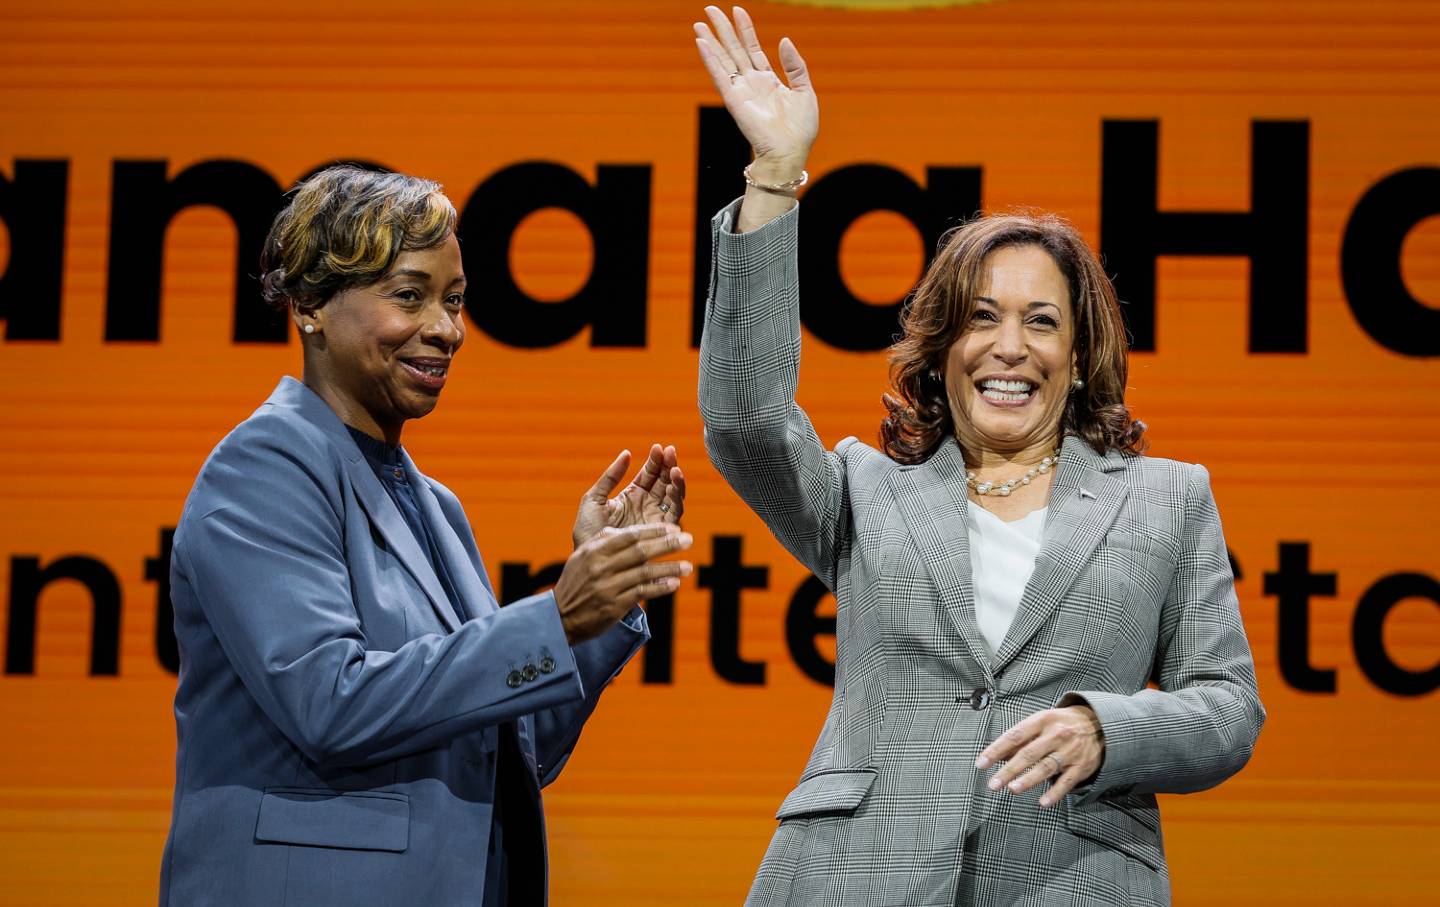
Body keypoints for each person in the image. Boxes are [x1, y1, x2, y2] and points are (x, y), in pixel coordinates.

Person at [693, 7, 1264, 905]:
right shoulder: (864, 491)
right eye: (980, 317)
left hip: (1070, 879)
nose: (1008, 345)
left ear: (1078, 360)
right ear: (942, 348)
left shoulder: (1167, 499)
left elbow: (1228, 708)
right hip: (855, 876)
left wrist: (1108, 729)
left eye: (1042, 322)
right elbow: (746, 418)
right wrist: (773, 175)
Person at [159, 165, 692, 906]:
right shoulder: (265, 465)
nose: (446, 329)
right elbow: (331, 703)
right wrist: (556, 616)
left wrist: (600, 603)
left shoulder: (435, 505)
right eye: (409, 296)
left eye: (455, 300)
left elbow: (503, 749)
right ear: (310, 303)